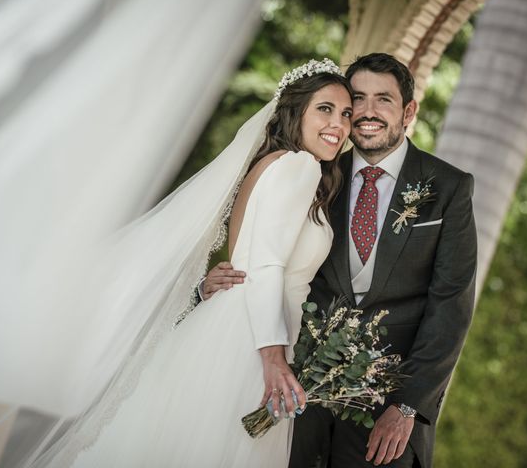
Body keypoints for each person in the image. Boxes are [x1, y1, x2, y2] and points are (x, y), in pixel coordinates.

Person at [59, 60, 353, 467]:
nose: (338, 123)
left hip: (228, 323)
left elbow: (249, 258)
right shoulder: (300, 167)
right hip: (252, 341)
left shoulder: (268, 164)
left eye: (346, 113)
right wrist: (273, 360)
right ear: (296, 111)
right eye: (325, 108)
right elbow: (267, 265)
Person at [203, 53, 477, 468]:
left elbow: (450, 309)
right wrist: (213, 287)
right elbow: (265, 257)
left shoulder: (449, 187)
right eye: (357, 99)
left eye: (383, 99)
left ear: (408, 111)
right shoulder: (319, 171)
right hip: (295, 398)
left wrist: (406, 407)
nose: (366, 112)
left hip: (385, 413)